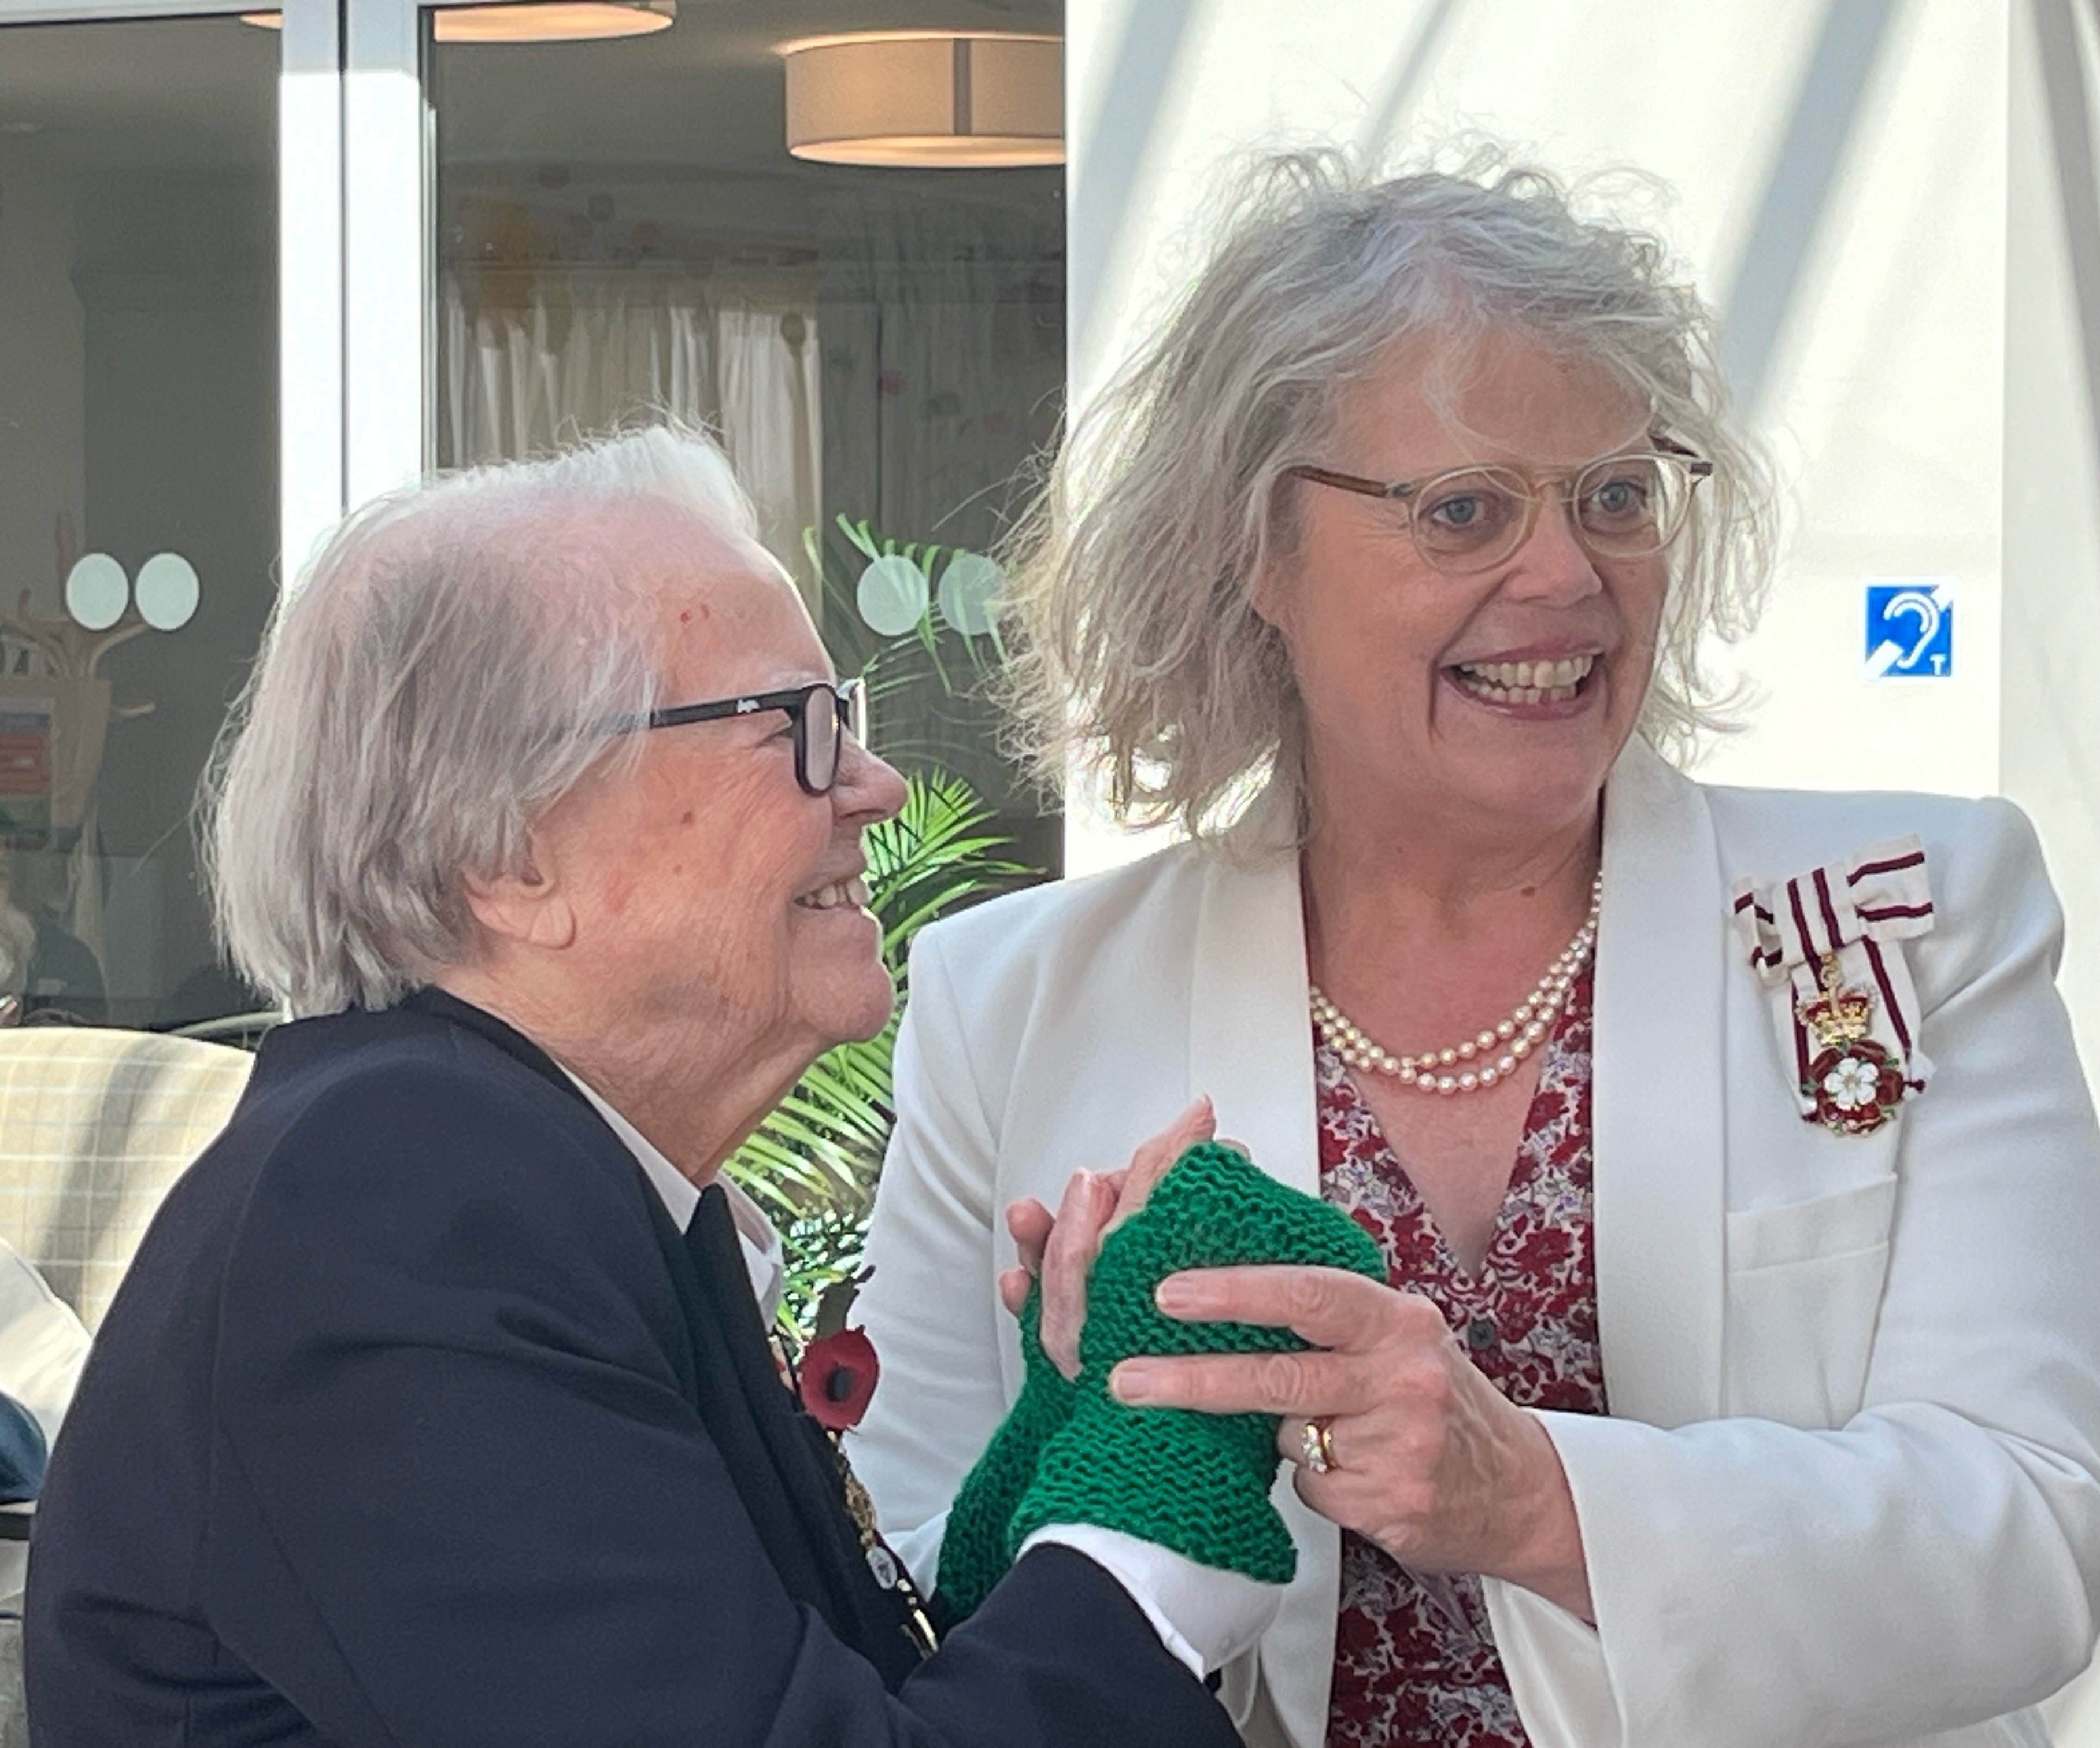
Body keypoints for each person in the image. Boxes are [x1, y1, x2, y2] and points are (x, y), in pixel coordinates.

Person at [847, 153, 2100, 1748]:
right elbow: (905, 1606)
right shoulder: (1015, 1001)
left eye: (1612, 495)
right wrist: (1068, 1439)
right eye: (1465, 511)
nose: (1569, 578)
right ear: (1258, 550)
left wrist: (1531, 1497)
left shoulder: (1910, 913)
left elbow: (2037, 1531)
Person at [24, 429, 1270, 1747]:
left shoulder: (521, 1175)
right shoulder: (400, 1202)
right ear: (505, 853)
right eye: (794, 727)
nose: (877, 786)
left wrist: (1070, 1443)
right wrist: (1146, 1522)